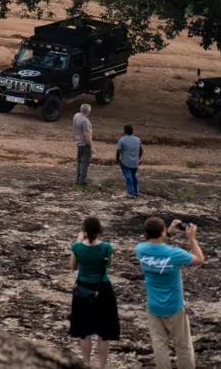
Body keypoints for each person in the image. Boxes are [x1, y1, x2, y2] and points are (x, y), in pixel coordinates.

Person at [135, 216, 204, 369]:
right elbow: (199, 259)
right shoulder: (174, 253)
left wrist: (168, 233)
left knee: (159, 345)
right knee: (183, 346)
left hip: (154, 306)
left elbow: (154, 243)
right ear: (162, 232)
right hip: (174, 306)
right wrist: (192, 238)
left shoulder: (140, 250)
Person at [68, 216, 120, 369]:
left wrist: (78, 242)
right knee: (104, 332)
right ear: (99, 231)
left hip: (83, 290)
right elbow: (109, 265)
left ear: (84, 230)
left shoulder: (77, 247)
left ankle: (86, 363)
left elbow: (72, 267)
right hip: (103, 289)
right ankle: (102, 366)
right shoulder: (107, 247)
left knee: (84, 331)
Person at [115, 125, 143, 197]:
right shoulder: (138, 139)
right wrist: (138, 158)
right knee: (135, 176)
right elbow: (141, 151)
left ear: (125, 131)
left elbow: (118, 151)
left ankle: (131, 192)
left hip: (125, 162)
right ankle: (136, 192)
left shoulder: (122, 140)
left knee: (128, 176)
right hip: (135, 162)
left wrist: (117, 160)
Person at [73, 101, 94, 186]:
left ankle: (78, 179)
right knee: (84, 163)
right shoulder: (85, 121)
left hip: (78, 142)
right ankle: (82, 180)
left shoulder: (76, 116)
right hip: (84, 143)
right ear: (88, 111)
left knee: (79, 161)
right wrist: (92, 147)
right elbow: (87, 135)